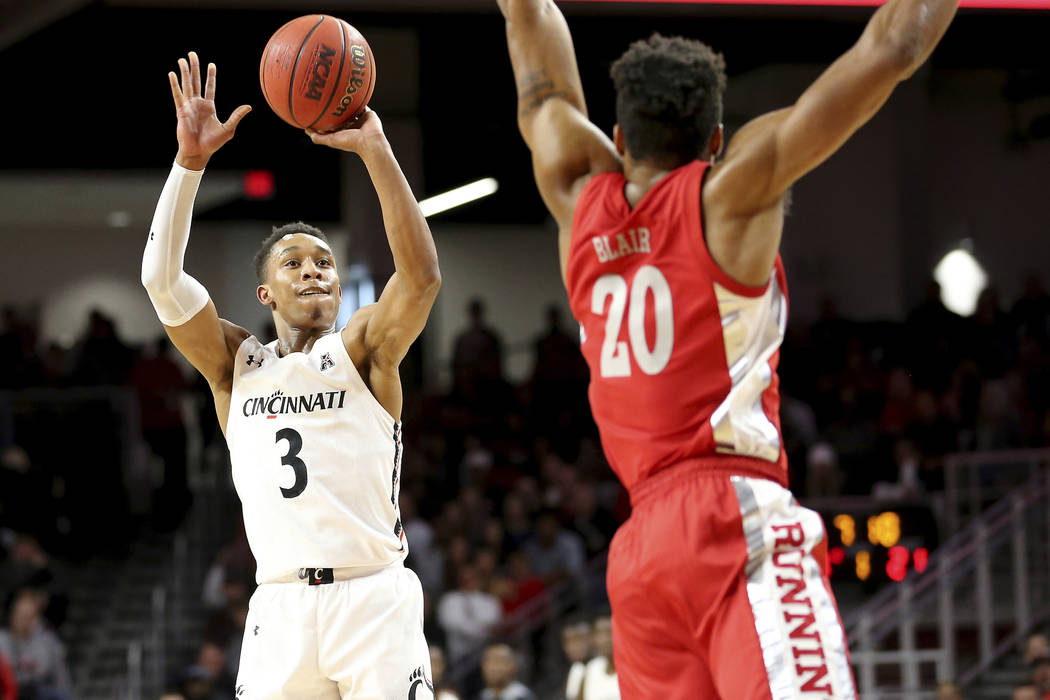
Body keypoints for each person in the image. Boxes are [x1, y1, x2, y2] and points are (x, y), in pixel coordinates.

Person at [497, 0, 958, 697]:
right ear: (716, 139)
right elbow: (891, 50)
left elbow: (544, 80)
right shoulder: (732, 195)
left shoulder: (574, 194)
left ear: (618, 138)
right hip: (732, 517)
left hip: (641, 546)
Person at [141, 51, 440, 698]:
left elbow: (420, 279)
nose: (314, 272)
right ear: (266, 293)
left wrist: (377, 149)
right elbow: (161, 283)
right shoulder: (236, 367)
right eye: (295, 263)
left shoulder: (363, 349)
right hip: (279, 606)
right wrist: (189, 164)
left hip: (371, 600)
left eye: (325, 263)